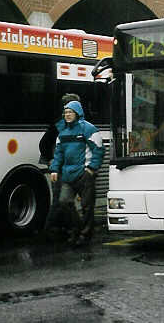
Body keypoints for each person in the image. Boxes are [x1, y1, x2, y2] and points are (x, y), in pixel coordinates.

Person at [44, 100, 104, 246]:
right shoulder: (62, 132)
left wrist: (91, 169)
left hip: (84, 174)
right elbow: (58, 154)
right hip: (67, 175)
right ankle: (77, 228)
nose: (67, 115)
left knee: (86, 206)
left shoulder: (88, 129)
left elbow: (99, 149)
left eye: (70, 112)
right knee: (64, 202)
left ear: (77, 113)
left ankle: (85, 235)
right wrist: (54, 170)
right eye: (65, 112)